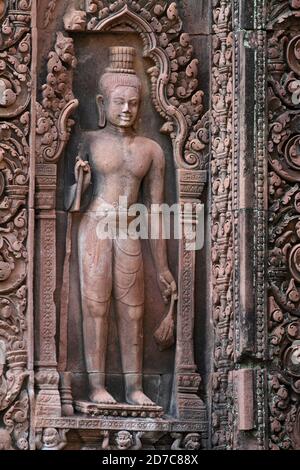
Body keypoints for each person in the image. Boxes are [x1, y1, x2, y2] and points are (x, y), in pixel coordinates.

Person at [70, 47, 176, 406]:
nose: (127, 109)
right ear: (103, 103)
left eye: (133, 102)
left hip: (130, 229)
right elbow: (74, 199)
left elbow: (156, 210)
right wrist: (80, 182)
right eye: (119, 102)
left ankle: (134, 388)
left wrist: (162, 266)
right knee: (95, 306)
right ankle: (97, 385)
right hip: (96, 224)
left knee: (133, 310)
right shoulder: (90, 140)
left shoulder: (151, 150)